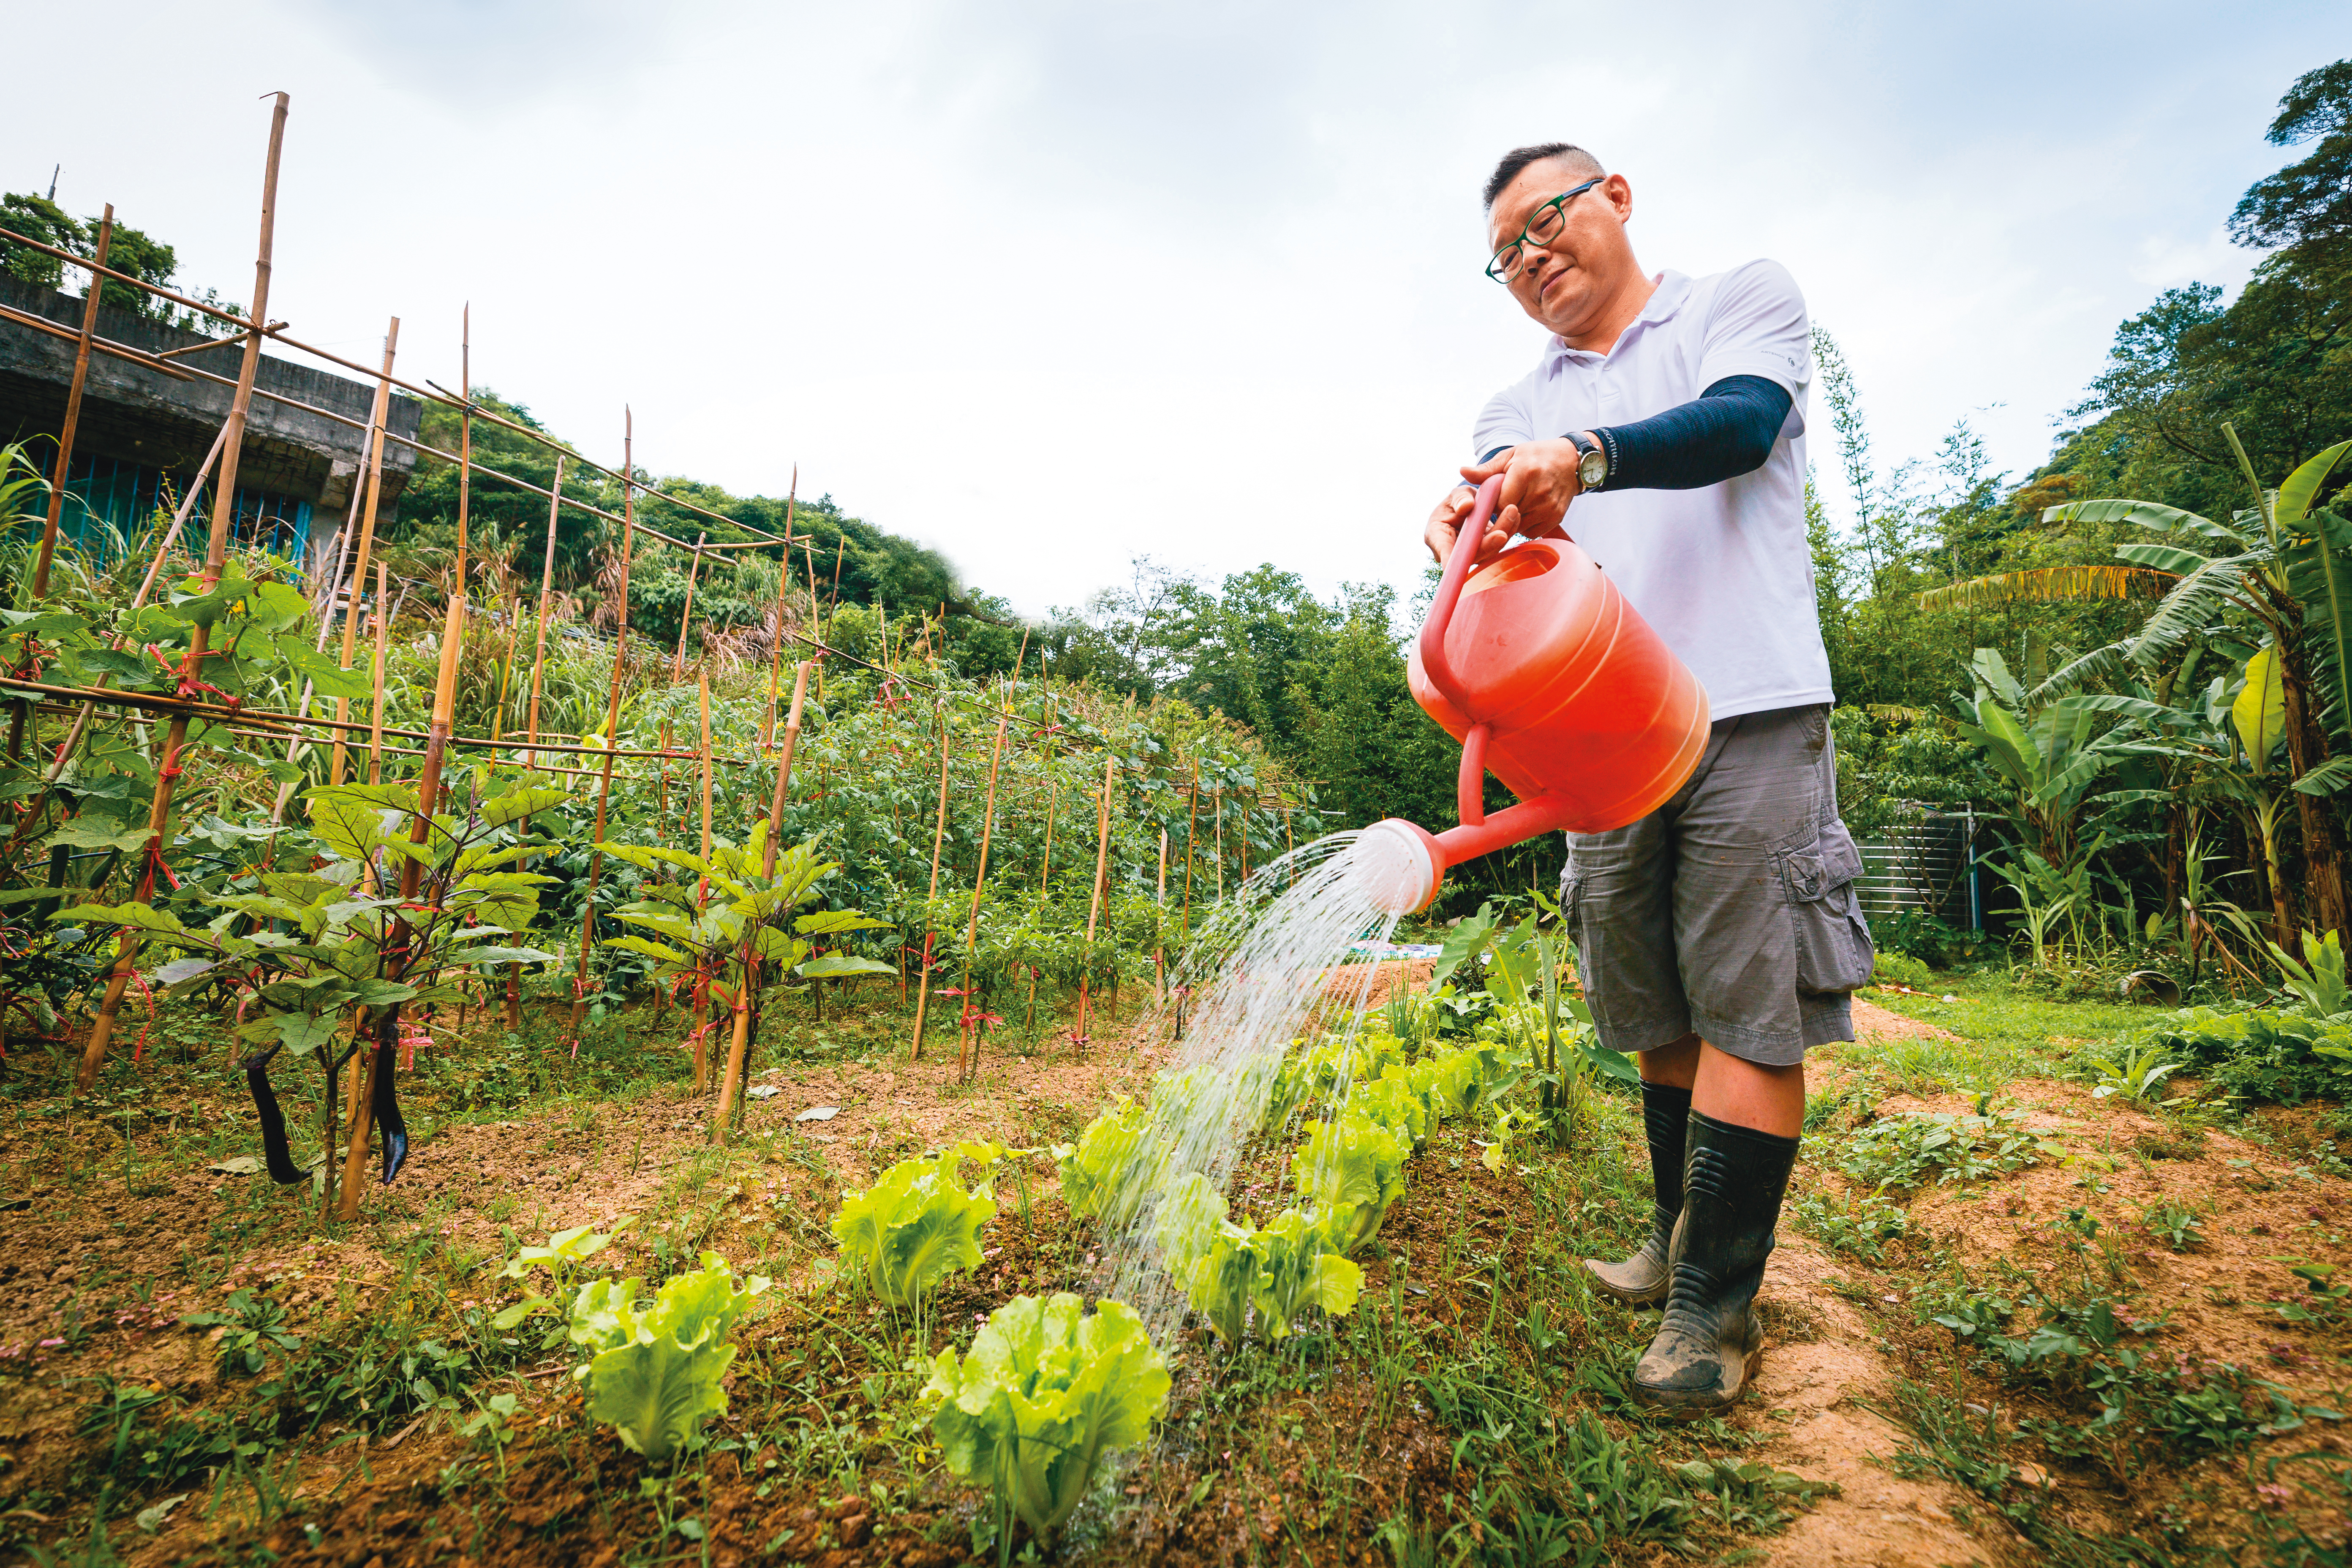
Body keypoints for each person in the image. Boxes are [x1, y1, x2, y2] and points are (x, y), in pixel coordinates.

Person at [1423, 142, 1874, 1416]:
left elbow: (1742, 426)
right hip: (1600, 732)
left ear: (1615, 197)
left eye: (1545, 219)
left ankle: (1713, 1309)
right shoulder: (1516, 404)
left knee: (1745, 1003)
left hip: (1747, 706)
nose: (1530, 257)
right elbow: (1503, 521)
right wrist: (1461, 524)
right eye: (1504, 252)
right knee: (1656, 1003)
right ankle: (1679, 1239)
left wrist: (1592, 456)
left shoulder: (1738, 302)